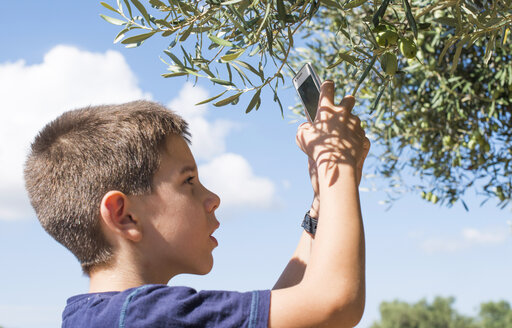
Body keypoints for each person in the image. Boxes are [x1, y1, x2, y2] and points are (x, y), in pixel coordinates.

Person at [24, 80, 370, 327]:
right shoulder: (151, 314)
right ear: (124, 214)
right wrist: (335, 160)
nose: (213, 198)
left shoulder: (94, 315)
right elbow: (333, 303)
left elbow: (299, 311)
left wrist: (323, 204)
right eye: (188, 181)